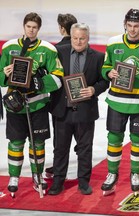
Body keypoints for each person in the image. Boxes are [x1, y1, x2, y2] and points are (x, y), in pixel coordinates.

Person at [100, 8, 139, 195]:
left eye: (136, 26)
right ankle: (112, 174)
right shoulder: (113, 43)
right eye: (130, 25)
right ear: (125, 24)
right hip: (116, 101)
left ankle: (135, 174)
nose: (133, 29)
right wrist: (108, 72)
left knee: (137, 140)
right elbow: (105, 66)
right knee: (114, 139)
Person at [0, 12, 63, 196]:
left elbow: (59, 77)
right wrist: (5, 73)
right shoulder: (9, 47)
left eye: (35, 27)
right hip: (15, 105)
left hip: (38, 105)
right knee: (16, 143)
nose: (31, 30)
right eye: (29, 26)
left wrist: (40, 83)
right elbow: (0, 77)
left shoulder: (48, 49)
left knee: (38, 144)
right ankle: (14, 177)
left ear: (39, 29)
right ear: (24, 26)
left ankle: (37, 176)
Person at [47, 23, 109, 195]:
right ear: (71, 37)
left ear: (88, 38)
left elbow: (104, 81)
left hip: (85, 110)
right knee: (60, 148)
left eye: (82, 38)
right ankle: (58, 182)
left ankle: (83, 182)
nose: (78, 41)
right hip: (62, 109)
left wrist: (94, 90)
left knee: (84, 148)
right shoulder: (59, 52)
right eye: (75, 38)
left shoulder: (98, 57)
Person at [45, 13, 78, 179]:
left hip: (59, 100)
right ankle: (81, 170)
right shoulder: (81, 48)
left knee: (60, 139)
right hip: (79, 98)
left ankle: (59, 168)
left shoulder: (54, 50)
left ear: (62, 29)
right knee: (82, 140)